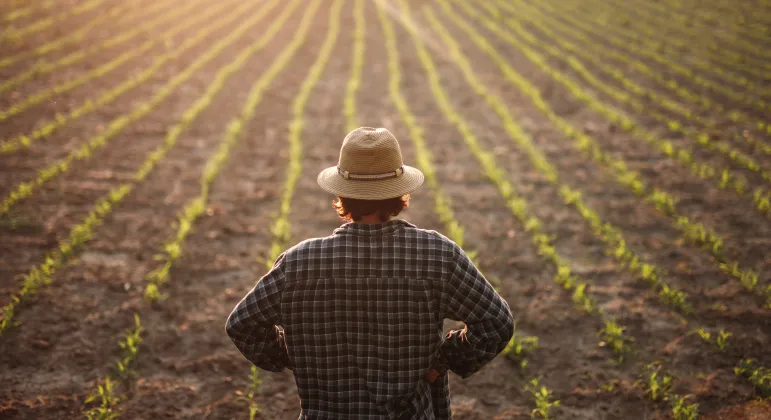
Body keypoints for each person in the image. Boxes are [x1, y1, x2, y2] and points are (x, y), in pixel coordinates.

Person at [226, 127, 514, 419]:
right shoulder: (437, 256)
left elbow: (242, 324)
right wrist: (444, 360)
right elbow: (496, 323)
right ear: (400, 192)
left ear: (342, 193)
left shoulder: (298, 263)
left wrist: (291, 355)